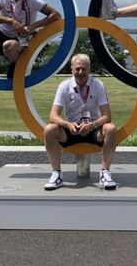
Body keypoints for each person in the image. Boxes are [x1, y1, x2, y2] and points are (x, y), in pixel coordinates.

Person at [42, 54, 117, 191]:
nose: (80, 72)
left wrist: (92, 125)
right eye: (77, 69)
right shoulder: (64, 86)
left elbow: (107, 116)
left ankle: (105, 173)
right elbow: (53, 115)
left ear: (89, 69)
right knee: (49, 129)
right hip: (71, 129)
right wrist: (67, 125)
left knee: (110, 128)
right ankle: (56, 174)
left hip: (93, 129)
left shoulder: (98, 85)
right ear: (71, 70)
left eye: (84, 69)